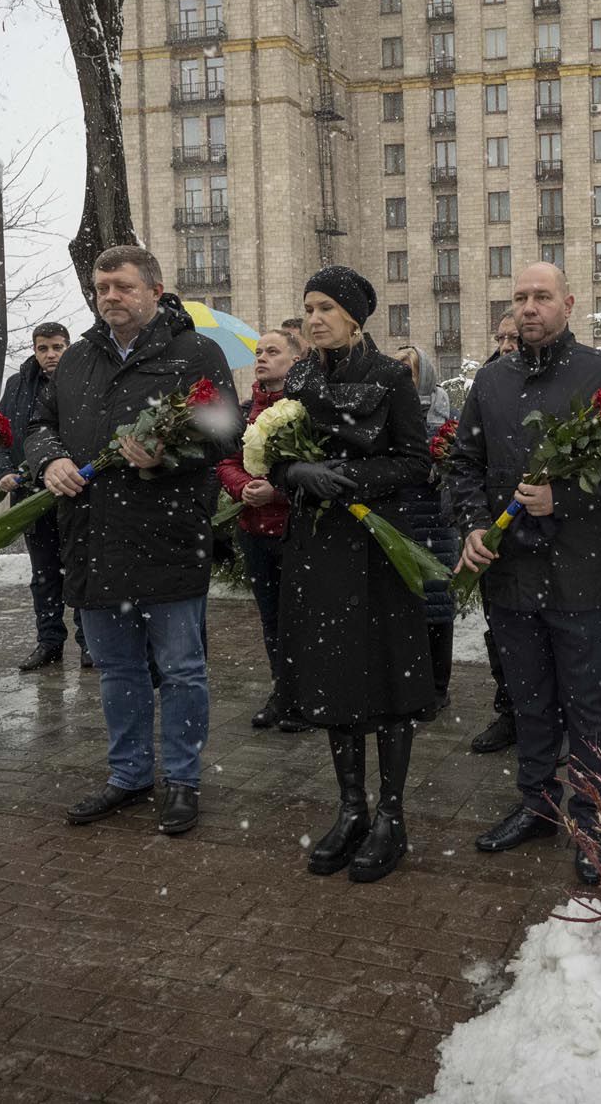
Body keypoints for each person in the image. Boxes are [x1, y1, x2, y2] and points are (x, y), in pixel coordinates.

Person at [448, 263, 601, 885]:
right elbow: (463, 462)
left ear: (568, 302)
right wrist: (473, 526)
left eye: (542, 297)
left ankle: (593, 818)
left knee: (585, 699)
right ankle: (536, 801)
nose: (529, 307)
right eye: (520, 297)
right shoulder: (492, 378)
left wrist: (565, 498)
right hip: (508, 571)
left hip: (576, 571)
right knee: (530, 696)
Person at [25, 247, 239, 836]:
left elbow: (227, 432)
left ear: (154, 289)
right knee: (117, 670)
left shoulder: (195, 353)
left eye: (122, 286)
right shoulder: (75, 361)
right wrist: (50, 461)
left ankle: (183, 780)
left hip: (168, 535)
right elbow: (39, 424)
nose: (110, 297)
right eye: (101, 287)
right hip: (93, 537)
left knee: (181, 668)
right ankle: (129, 775)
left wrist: (169, 454)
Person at [273, 268, 434, 883]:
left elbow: (416, 461)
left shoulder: (391, 377)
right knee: (334, 676)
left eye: (327, 308)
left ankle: (391, 816)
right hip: (317, 547)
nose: (314, 318)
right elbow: (276, 451)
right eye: (308, 307)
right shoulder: (304, 375)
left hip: (375, 548)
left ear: (355, 317)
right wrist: (295, 475)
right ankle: (352, 808)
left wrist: (350, 479)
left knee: (387, 679)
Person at [217, 325, 305, 732]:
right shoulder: (248, 407)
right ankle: (282, 692)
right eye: (258, 351)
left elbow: (316, 469)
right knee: (271, 619)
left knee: (301, 618)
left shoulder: (306, 408)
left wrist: (278, 491)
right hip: (254, 531)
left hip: (295, 531)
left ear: (296, 360)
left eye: (273, 351)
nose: (262, 358)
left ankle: (306, 696)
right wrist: (243, 488)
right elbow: (228, 461)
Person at [0, 322, 86, 671]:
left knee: (80, 569)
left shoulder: (81, 380)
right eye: (43, 348)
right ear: (34, 350)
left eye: (57, 347)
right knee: (44, 574)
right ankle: (49, 642)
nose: (50, 355)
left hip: (75, 490)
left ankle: (88, 643)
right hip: (31, 495)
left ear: (68, 347)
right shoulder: (18, 386)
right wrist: (3, 471)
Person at [468, 311, 524, 756]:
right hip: (494, 532)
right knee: (499, 629)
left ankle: (548, 721)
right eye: (500, 337)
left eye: (514, 337)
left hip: (545, 534)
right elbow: (466, 457)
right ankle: (509, 711)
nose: (506, 344)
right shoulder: (486, 384)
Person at [394, 342, 460, 710]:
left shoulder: (446, 412)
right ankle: (408, 683)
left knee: (436, 606)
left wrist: (439, 464)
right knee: (403, 606)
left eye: (409, 364)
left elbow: (459, 461)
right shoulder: (388, 410)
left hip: (435, 524)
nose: (402, 368)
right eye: (397, 363)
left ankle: (436, 687)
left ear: (426, 373)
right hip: (399, 521)